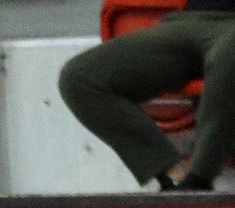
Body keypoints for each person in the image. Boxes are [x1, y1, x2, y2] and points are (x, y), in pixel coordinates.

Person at [59, 2, 235, 193]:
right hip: (189, 20)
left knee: (229, 52)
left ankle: (198, 179)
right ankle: (172, 173)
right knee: (80, 77)